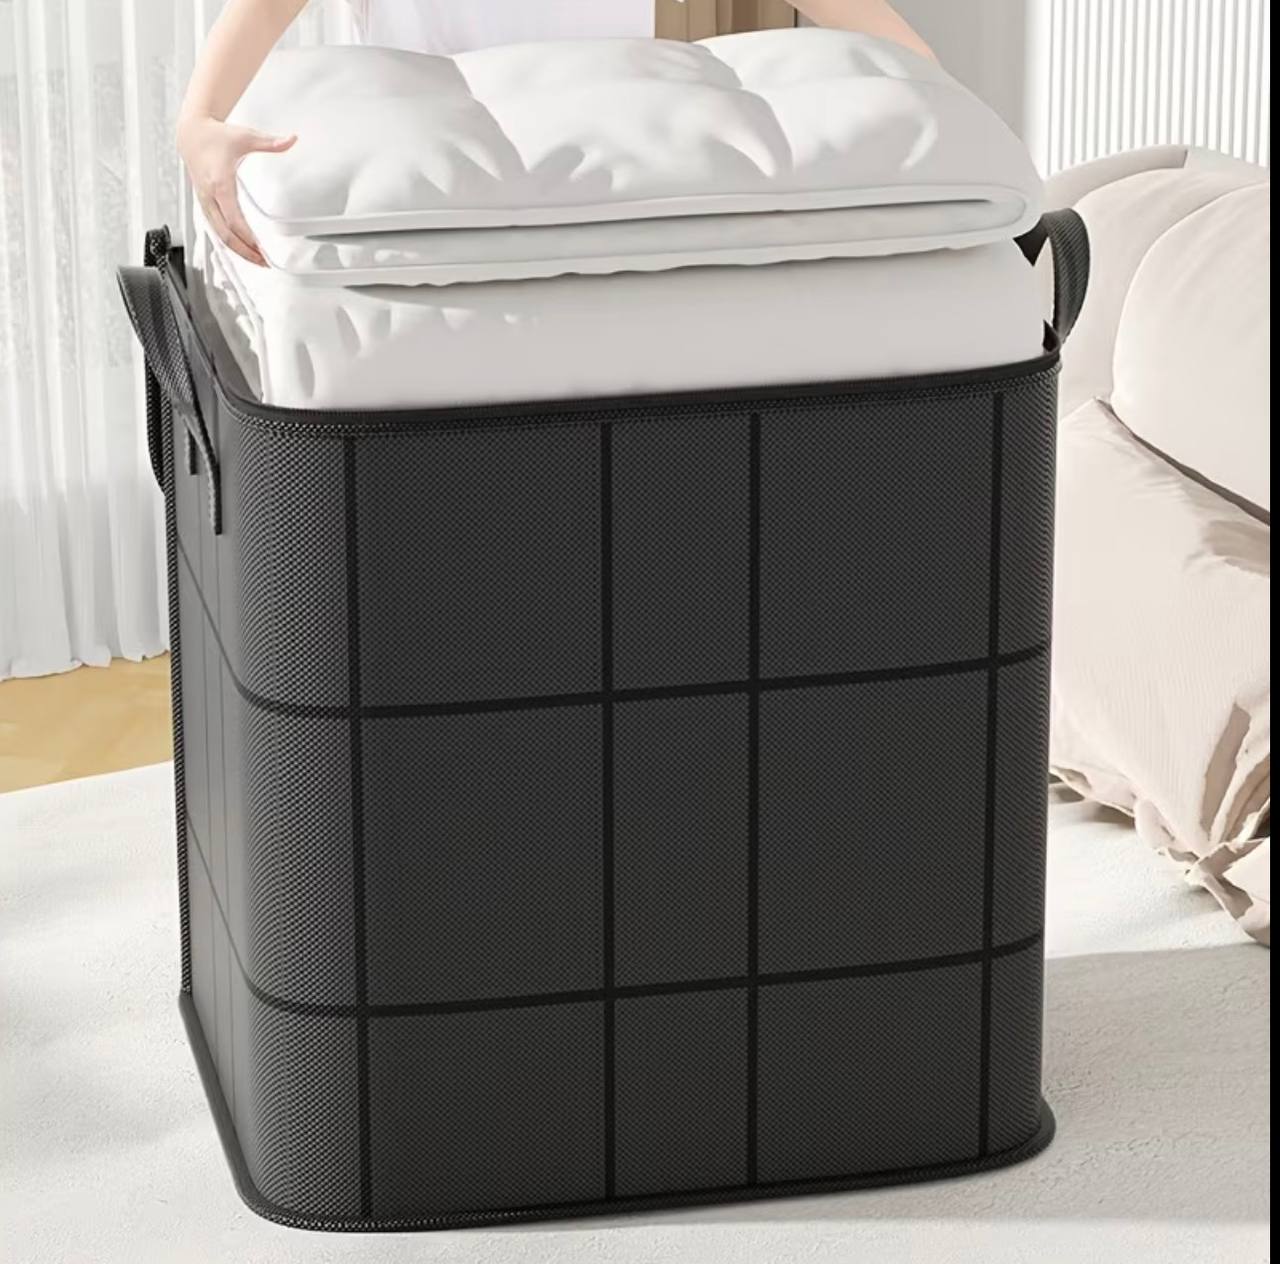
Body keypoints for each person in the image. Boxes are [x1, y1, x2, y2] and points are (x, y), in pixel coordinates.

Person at [178, 0, 935, 267]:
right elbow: (266, 8)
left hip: (615, 205)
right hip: (439, 224)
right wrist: (198, 123)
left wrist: (932, 79)